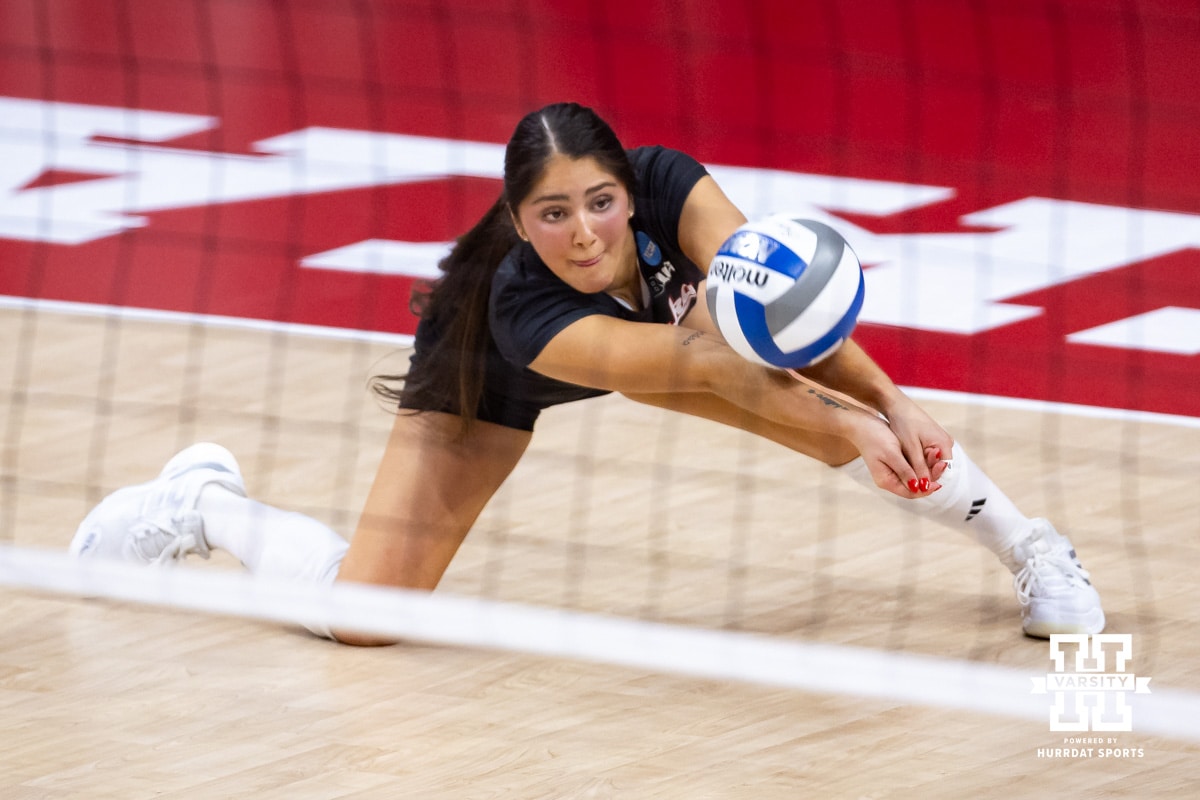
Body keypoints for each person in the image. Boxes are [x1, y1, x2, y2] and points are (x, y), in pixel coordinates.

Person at [69, 102, 1104, 645]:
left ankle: (1033, 545)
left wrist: (889, 399)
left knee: (850, 416)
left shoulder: (670, 187)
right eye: (552, 214)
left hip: (681, 339)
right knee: (367, 617)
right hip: (498, 372)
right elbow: (684, 368)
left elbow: (778, 311)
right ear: (519, 221)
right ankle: (203, 504)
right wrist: (849, 424)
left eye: (600, 202)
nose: (584, 232)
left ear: (629, 184)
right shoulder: (520, 305)